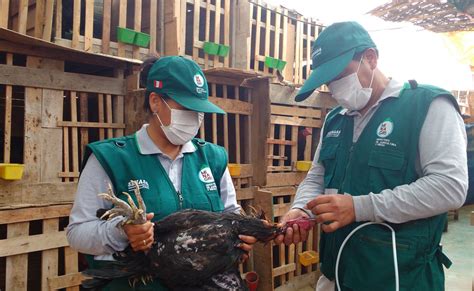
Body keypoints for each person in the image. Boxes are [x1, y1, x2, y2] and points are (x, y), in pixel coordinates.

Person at [274, 21, 468, 291]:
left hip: (398, 277)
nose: (335, 88)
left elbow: (449, 187)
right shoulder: (335, 120)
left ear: (370, 58)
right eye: (329, 82)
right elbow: (317, 175)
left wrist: (359, 207)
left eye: (340, 76)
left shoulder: (426, 105)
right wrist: (301, 208)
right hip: (336, 273)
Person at [67, 56, 257, 290]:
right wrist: (121, 231)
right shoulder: (110, 158)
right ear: (156, 101)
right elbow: (77, 234)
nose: (194, 118)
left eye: (199, 110)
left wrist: (240, 239)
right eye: (186, 108)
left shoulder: (213, 158)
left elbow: (231, 214)